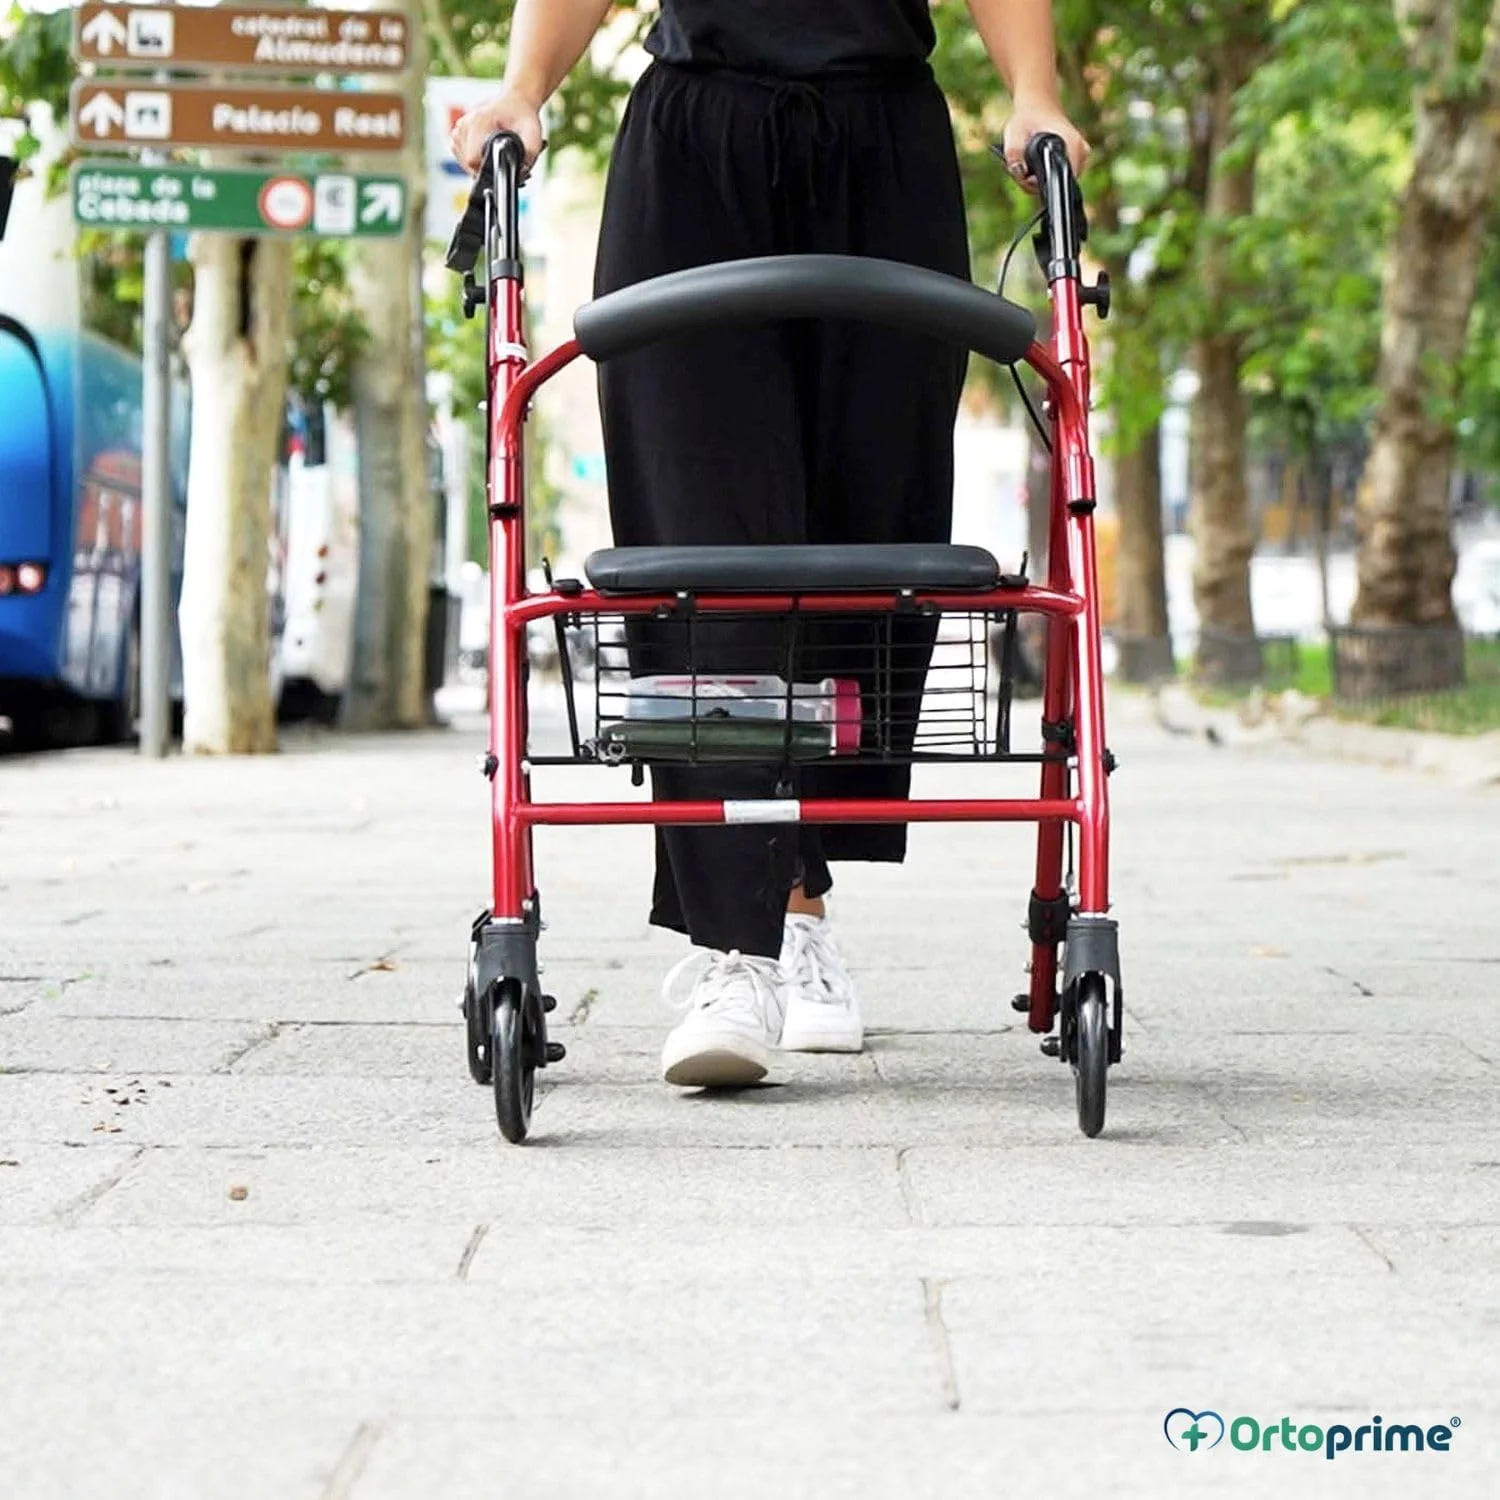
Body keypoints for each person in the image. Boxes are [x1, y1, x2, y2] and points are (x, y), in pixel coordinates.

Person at [452, 1, 1088, 1091]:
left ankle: (799, 901)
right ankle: (732, 956)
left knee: (869, 531)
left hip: (885, 143)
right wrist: (523, 88)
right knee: (706, 542)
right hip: (694, 146)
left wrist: (1035, 94)